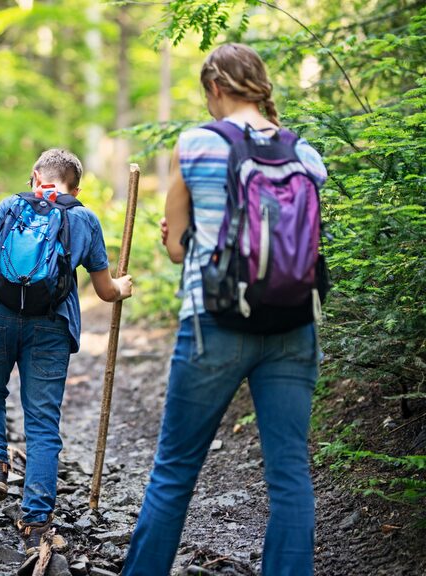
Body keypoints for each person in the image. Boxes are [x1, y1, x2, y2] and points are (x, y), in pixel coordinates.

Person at [121, 43, 328, 576]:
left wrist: (179, 233)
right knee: (289, 475)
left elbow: (176, 249)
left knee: (174, 472)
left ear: (215, 87)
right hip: (294, 324)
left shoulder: (195, 144)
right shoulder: (304, 153)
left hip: (214, 322)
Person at [0, 149, 133, 554]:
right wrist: (123, 287)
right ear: (77, 186)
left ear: (36, 176)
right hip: (51, 325)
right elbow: (106, 290)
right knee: (42, 421)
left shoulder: (11, 204)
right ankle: (36, 521)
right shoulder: (84, 218)